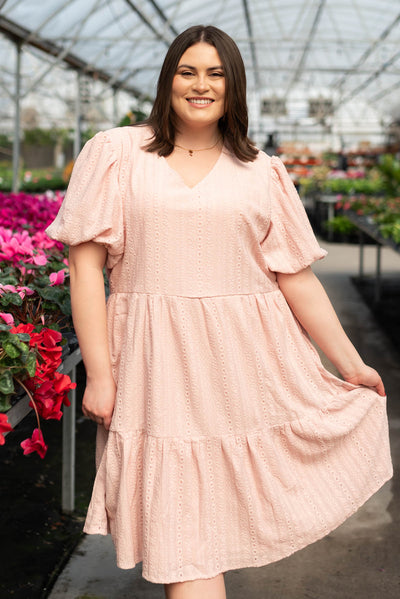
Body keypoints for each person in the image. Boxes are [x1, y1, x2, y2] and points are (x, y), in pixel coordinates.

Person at [46, 25, 392, 599]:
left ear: (235, 86)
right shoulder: (115, 152)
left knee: (206, 531)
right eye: (187, 71)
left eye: (216, 73)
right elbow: (86, 270)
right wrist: (100, 375)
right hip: (156, 368)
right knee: (185, 532)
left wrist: (350, 365)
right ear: (168, 80)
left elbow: (295, 277)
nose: (200, 85)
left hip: (248, 366)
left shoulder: (262, 170)